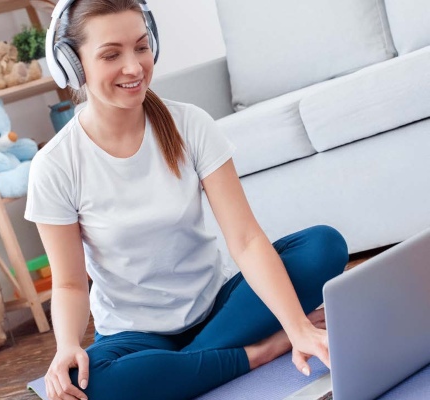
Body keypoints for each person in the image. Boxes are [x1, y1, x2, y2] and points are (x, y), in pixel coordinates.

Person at [25, 1, 349, 399]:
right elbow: (71, 284)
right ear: (73, 65)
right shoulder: (54, 166)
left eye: (141, 48)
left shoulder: (190, 124)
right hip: (135, 335)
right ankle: (262, 350)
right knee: (82, 383)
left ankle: (186, 369)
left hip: (219, 309)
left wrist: (299, 327)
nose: (133, 67)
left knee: (323, 245)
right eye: (111, 54)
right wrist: (68, 346)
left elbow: (246, 239)